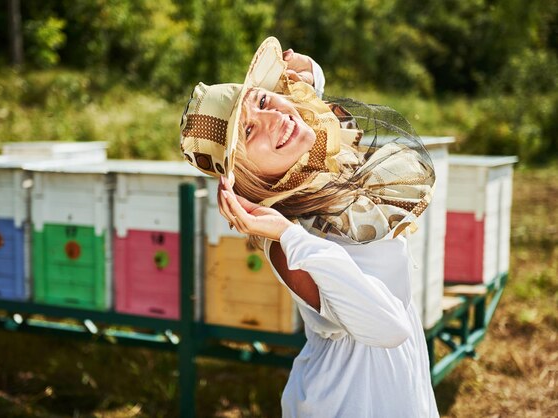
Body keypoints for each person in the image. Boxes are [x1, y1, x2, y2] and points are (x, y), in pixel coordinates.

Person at [180, 37, 439, 417]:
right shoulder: (288, 240)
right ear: (245, 175)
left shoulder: (318, 173)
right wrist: (288, 235)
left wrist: (312, 78)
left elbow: (326, 122)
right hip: (351, 399)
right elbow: (388, 328)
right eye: (248, 133)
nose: (275, 120)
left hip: (398, 379)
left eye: (264, 101)